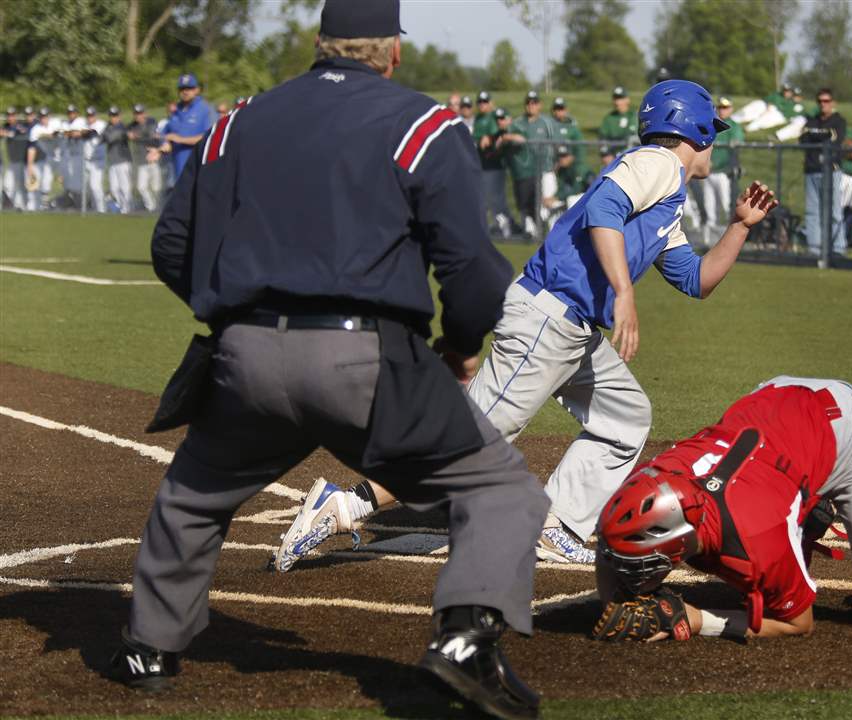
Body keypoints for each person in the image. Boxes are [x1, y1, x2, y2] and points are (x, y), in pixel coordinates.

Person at [107, 3, 548, 719]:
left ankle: (148, 649)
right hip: (366, 359)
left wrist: (232, 313)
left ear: (319, 45)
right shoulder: (424, 124)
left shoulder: (236, 120)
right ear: (392, 53)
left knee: (192, 496)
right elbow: (474, 272)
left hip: (245, 357)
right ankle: (467, 639)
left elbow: (171, 245)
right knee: (499, 491)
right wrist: (461, 347)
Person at [273, 80, 778, 572]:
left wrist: (738, 228)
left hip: (571, 330)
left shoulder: (666, 192)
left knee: (625, 419)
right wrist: (624, 292)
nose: (717, 139)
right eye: (714, 129)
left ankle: (554, 525)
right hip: (547, 318)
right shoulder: (660, 163)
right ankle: (346, 504)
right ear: (695, 131)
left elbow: (695, 280)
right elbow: (603, 209)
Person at [591, 376, 852, 642]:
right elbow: (614, 538)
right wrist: (617, 599)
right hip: (777, 407)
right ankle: (809, 510)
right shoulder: (652, 480)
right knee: (754, 553)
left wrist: (698, 620)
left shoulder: (756, 533)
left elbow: (797, 624)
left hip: (846, 429)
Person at [497, 89, 555, 239]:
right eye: (528, 103)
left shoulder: (546, 122)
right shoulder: (517, 123)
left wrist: (555, 165)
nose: (531, 105)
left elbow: (556, 144)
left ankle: (549, 231)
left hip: (546, 168)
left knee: (545, 203)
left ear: (540, 105)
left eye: (534, 102)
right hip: (525, 171)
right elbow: (505, 138)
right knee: (526, 203)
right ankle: (532, 231)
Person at [800, 88, 846, 259]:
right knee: (812, 211)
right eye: (820, 101)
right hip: (811, 170)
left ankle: (838, 248)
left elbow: (835, 139)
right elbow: (803, 139)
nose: (823, 104)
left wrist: (815, 135)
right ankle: (814, 248)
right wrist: (821, 136)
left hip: (830, 171)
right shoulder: (812, 119)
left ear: (832, 103)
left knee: (834, 212)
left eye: (826, 101)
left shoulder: (839, 120)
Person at [698, 96, 744, 245]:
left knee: (726, 206)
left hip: (724, 173)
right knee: (710, 208)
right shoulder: (712, 125)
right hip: (709, 173)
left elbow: (737, 143)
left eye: (725, 107)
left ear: (731, 109)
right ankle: (709, 241)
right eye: (720, 107)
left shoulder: (733, 126)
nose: (722, 110)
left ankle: (730, 240)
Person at [473, 94, 516, 238]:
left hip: (495, 165)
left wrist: (489, 137)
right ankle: (501, 226)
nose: (482, 104)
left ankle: (507, 226)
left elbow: (496, 135)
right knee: (488, 198)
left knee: (496, 199)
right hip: (483, 164)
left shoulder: (493, 116)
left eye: (485, 101)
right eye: (480, 101)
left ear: (491, 102)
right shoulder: (479, 118)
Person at [161, 73, 216, 184]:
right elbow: (166, 133)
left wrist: (180, 139)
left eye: (189, 88)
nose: (185, 92)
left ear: (197, 90)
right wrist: (164, 143)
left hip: (199, 168)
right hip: (178, 168)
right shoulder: (176, 111)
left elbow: (210, 136)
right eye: (182, 89)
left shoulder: (206, 109)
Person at [26, 106, 62, 210]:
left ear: (49, 116)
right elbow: (32, 148)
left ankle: (74, 204)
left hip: (64, 155)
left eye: (45, 116)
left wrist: (50, 135)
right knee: (45, 181)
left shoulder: (56, 123)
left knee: (67, 182)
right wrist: (29, 165)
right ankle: (45, 205)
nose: (43, 119)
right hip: (50, 157)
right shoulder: (36, 129)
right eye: (41, 117)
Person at [129, 104, 162, 212]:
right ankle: (151, 207)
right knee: (141, 187)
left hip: (153, 158)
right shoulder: (133, 125)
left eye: (140, 113)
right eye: (136, 114)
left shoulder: (152, 122)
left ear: (145, 113)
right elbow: (127, 132)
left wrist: (137, 138)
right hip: (142, 160)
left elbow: (153, 139)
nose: (138, 116)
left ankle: (159, 207)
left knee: (156, 187)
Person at [103, 106, 133, 213]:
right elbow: (104, 137)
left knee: (124, 186)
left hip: (123, 160)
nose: (113, 118)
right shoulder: (108, 127)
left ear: (119, 116)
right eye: (111, 116)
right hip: (112, 161)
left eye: (115, 116)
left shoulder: (123, 127)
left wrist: (112, 135)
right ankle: (121, 206)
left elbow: (110, 138)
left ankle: (127, 208)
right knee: (114, 188)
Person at [2, 107, 30, 210]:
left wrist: (8, 133)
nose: (10, 117)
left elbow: (21, 132)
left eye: (12, 115)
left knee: (20, 184)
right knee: (7, 185)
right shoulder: (6, 126)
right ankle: (17, 204)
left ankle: (23, 205)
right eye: (9, 115)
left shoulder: (19, 125)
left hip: (21, 160)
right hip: (12, 161)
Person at [82, 106, 107, 212]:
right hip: (86, 160)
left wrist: (85, 132)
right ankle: (93, 208)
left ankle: (101, 209)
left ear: (95, 115)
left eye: (92, 115)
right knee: (86, 187)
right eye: (88, 115)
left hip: (98, 160)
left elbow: (94, 133)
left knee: (95, 186)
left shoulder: (101, 124)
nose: (90, 118)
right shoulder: (84, 125)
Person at [550, 96, 585, 172]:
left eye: (561, 108)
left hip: (572, 166)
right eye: (556, 108)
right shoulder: (548, 125)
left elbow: (580, 148)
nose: (558, 111)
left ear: (566, 110)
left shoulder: (572, 126)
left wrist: (571, 158)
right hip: (553, 164)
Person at [60, 104, 87, 202]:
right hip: (68, 155)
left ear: (76, 113)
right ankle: (73, 202)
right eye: (69, 113)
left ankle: (81, 203)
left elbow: (82, 132)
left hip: (79, 155)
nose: (71, 115)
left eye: (73, 113)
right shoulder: (65, 123)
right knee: (68, 181)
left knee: (78, 182)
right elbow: (63, 133)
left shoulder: (81, 121)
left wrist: (72, 133)